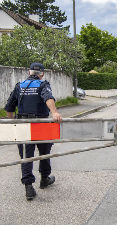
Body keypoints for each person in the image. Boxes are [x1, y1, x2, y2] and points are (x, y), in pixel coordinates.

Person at [5, 62, 62, 201]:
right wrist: (54, 113)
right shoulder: (43, 84)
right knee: (44, 153)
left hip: (23, 125)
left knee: (26, 156)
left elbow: (9, 108)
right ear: (42, 74)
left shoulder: (19, 86)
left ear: (28, 72)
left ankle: (29, 188)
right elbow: (48, 97)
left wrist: (13, 123)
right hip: (40, 124)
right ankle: (44, 179)